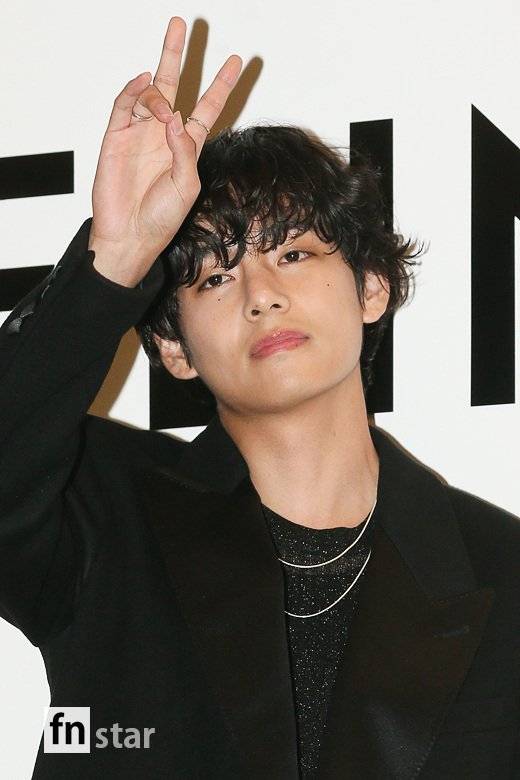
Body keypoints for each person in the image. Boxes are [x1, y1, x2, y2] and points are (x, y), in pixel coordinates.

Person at [1, 14, 518, 780]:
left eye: (295, 253)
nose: (262, 294)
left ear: (371, 288)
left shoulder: (500, 571)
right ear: (174, 349)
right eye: (215, 276)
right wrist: (117, 253)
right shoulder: (103, 513)